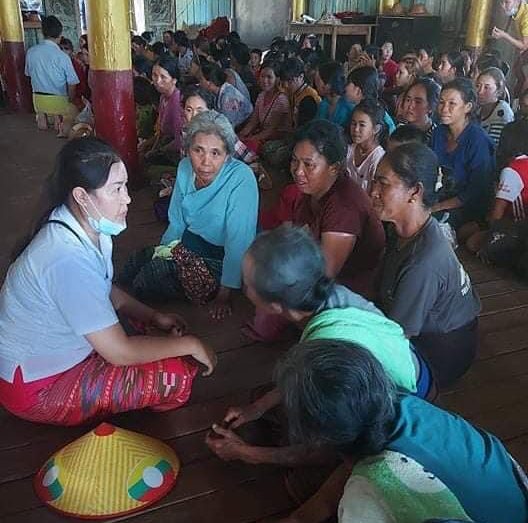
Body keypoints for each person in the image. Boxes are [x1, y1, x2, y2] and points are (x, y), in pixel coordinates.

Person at [0, 138, 216, 426]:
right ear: (82, 196)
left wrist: (154, 315)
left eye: (124, 186)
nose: (127, 198)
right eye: (116, 189)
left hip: (56, 355)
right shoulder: (65, 258)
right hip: (37, 388)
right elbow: (120, 352)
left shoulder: (84, 225)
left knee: (152, 329)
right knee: (175, 376)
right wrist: (193, 345)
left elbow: (104, 289)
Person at [206, 227, 434, 466]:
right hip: (415, 368)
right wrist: (257, 408)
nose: (245, 289)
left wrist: (245, 453)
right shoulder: (335, 296)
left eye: (247, 284)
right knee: (272, 397)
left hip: (407, 413)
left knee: (309, 479)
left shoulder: (324, 354)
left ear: (273, 306)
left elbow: (319, 449)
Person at [272, 339, 528, 523]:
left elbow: (367, 481)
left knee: (304, 483)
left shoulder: (365, 492)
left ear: (321, 437)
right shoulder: (409, 405)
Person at [120, 111, 258, 320]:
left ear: (228, 155)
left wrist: (224, 294)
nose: (205, 162)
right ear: (187, 150)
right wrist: (165, 251)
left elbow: (239, 243)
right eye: (198, 150)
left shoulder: (241, 179)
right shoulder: (185, 168)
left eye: (215, 153)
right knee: (134, 263)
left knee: (146, 280)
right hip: (190, 243)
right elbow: (176, 220)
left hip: (222, 257)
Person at [372, 143, 481, 387]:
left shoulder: (423, 261)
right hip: (428, 334)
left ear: (415, 192)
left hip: (439, 355)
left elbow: (396, 339)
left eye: (383, 184)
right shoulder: (403, 231)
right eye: (375, 182)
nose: (373, 191)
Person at [292, 120, 385, 299]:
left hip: (349, 292)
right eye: (294, 161)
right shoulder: (313, 189)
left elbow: (325, 277)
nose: (298, 171)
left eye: (308, 164)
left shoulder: (344, 207)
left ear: (333, 168)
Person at [431, 78, 496, 232]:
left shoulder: (478, 141)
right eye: (441, 102)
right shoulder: (438, 132)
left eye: (452, 103)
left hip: (468, 208)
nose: (444, 108)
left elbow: (476, 191)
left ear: (467, 107)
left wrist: (437, 207)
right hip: (439, 198)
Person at [25, 15, 79, 136]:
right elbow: (73, 83)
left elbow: (28, 75)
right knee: (74, 111)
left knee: (44, 110)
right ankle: (59, 121)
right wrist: (69, 100)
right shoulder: (63, 56)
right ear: (60, 35)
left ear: (43, 32)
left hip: (38, 101)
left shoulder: (31, 52)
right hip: (59, 102)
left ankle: (42, 116)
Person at [140, 56, 184, 167]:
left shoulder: (177, 101)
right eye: (154, 75)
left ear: (174, 80)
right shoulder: (163, 97)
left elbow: (179, 142)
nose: (157, 81)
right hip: (164, 145)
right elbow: (161, 132)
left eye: (163, 77)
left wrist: (156, 152)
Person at [239, 61, 291, 154]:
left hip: (276, 138)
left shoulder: (281, 99)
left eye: (269, 77)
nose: (264, 80)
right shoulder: (261, 96)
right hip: (262, 134)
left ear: (277, 79)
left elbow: (271, 130)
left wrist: (248, 139)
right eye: (262, 76)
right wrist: (241, 135)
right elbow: (254, 121)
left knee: (246, 147)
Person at [346, 100, 386, 192]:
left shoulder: (378, 159)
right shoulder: (349, 150)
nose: (356, 129)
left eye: (362, 125)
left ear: (376, 129)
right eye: (353, 123)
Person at [492, 0, 528, 97]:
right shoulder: (517, 13)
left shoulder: (526, 16)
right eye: (501, 2)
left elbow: (524, 45)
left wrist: (504, 35)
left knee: (525, 79)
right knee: (518, 72)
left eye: (507, 2)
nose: (503, 6)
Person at [345, 66, 396, 133]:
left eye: (348, 83)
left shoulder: (369, 113)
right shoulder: (371, 106)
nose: (345, 87)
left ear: (358, 91)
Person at [200, 63, 253, 127]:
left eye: (201, 79)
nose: (199, 82)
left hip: (246, 125)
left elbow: (228, 125)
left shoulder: (228, 96)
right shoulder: (216, 92)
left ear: (210, 82)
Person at [476, 67, 514, 145]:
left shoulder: (502, 114)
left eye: (486, 87)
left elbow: (493, 146)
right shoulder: (478, 109)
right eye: (478, 86)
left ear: (498, 90)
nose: (480, 91)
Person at [280, 57, 321, 128]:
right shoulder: (291, 92)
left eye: (290, 80)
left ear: (301, 76)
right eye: (284, 80)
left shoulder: (311, 96)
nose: (286, 85)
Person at [398, 77, 441, 142]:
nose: (410, 106)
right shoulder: (400, 128)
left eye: (418, 102)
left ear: (430, 107)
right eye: (408, 100)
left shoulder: (436, 137)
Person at [314, 61, 352, 128]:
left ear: (328, 85)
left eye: (318, 80)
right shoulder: (323, 104)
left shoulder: (347, 108)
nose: (315, 83)